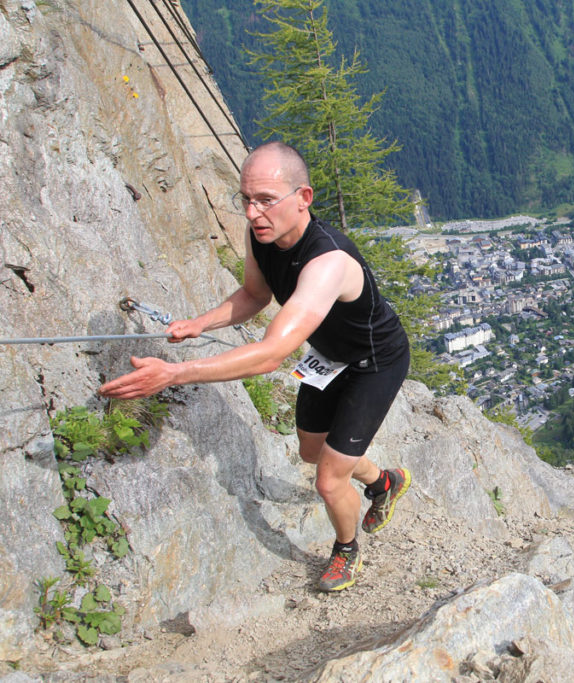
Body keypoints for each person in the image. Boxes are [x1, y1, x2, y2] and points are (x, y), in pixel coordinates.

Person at [99, 141, 412, 592]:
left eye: (266, 200)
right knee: (311, 451)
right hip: (328, 357)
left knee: (327, 478)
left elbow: (271, 353)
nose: (252, 212)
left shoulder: (328, 263)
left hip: (374, 362)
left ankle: (345, 550)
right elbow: (254, 295)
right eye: (246, 199)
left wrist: (174, 374)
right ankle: (383, 481)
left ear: (303, 198)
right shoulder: (263, 237)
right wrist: (198, 324)